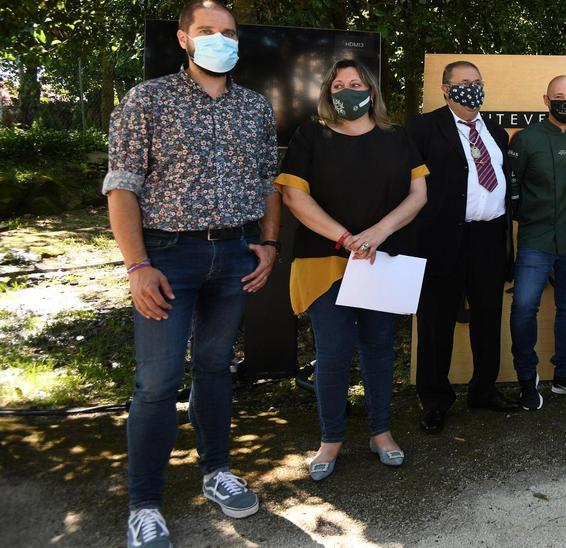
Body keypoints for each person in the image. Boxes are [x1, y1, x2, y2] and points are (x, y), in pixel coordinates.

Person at [103, 1, 278, 546]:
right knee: (157, 384)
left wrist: (268, 244)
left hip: (234, 255)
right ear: (184, 39)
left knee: (215, 368)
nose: (218, 39)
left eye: (227, 32)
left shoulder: (254, 107)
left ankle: (217, 472)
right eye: (207, 31)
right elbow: (122, 187)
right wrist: (138, 266)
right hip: (166, 256)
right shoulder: (147, 100)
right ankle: (145, 504)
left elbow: (269, 181)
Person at [275, 60, 427, 481]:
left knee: (379, 350)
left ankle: (381, 432)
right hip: (325, 263)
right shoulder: (311, 136)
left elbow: (418, 194)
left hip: (382, 261)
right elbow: (293, 198)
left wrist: (376, 233)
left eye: (355, 83)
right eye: (338, 84)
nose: (347, 90)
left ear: (371, 91)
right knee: (334, 354)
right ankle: (331, 439)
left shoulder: (398, 139)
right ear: (328, 94)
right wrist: (347, 239)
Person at [406, 60, 520, 435]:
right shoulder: (423, 129)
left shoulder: (495, 133)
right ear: (445, 89)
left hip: (488, 237)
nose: (472, 88)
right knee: (436, 322)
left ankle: (483, 390)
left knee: (488, 318)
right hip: (442, 239)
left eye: (477, 82)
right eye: (464, 82)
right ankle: (435, 400)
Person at [506, 75, 566, 410]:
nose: (565, 101)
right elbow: (511, 191)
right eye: (559, 96)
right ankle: (526, 379)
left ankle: (564, 374)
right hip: (535, 237)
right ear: (545, 100)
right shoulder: (525, 139)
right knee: (524, 308)